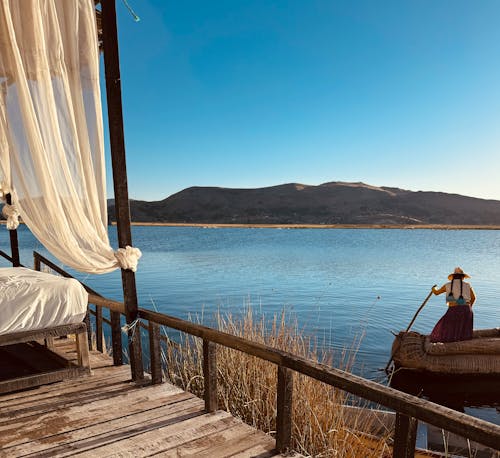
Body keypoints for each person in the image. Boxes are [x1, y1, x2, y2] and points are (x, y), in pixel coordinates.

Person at [430, 267, 476, 343]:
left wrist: (433, 288)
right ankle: (462, 343)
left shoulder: (447, 285)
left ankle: (448, 342)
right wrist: (469, 308)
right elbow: (473, 298)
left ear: (453, 276)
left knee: (445, 324)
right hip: (466, 309)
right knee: (463, 328)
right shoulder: (467, 285)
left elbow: (436, 293)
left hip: (453, 309)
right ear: (463, 277)